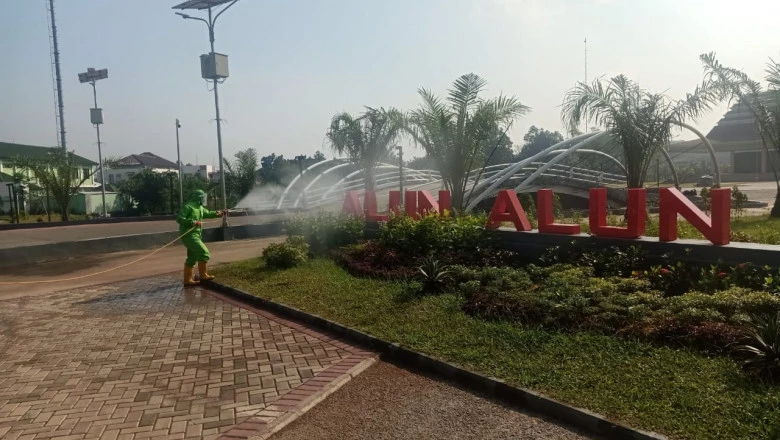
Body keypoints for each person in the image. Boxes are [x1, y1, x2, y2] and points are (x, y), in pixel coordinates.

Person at [177, 189, 225, 286]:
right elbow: (179, 218)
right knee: (204, 252)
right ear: (198, 197)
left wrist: (219, 213)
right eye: (203, 197)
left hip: (197, 235)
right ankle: (203, 275)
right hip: (188, 235)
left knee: (192, 257)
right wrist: (192, 222)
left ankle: (188, 280)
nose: (204, 199)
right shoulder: (188, 207)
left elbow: (208, 213)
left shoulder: (200, 208)